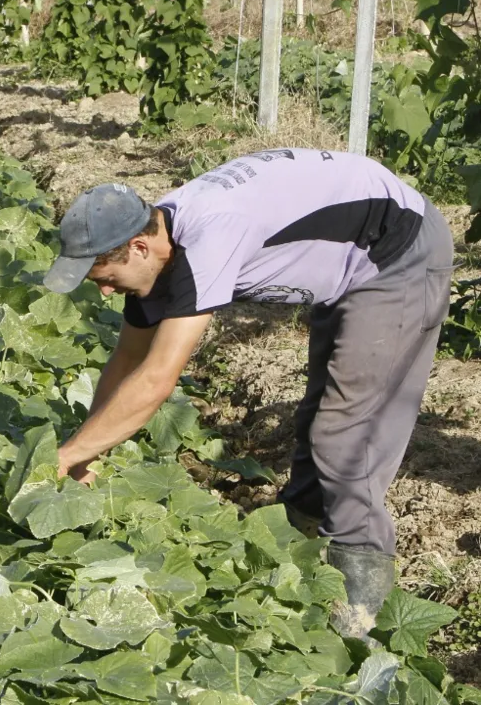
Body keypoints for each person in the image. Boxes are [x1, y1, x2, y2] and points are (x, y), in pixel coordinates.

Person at [42, 148, 454, 644]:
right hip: (346, 260)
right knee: (319, 416)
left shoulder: (211, 237)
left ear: (138, 247)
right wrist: (88, 450)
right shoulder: (162, 249)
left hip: (396, 251)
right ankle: (298, 537)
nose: (105, 293)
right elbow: (127, 360)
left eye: (105, 278)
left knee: (347, 433)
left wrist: (63, 457)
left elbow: (155, 379)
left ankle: (360, 604)